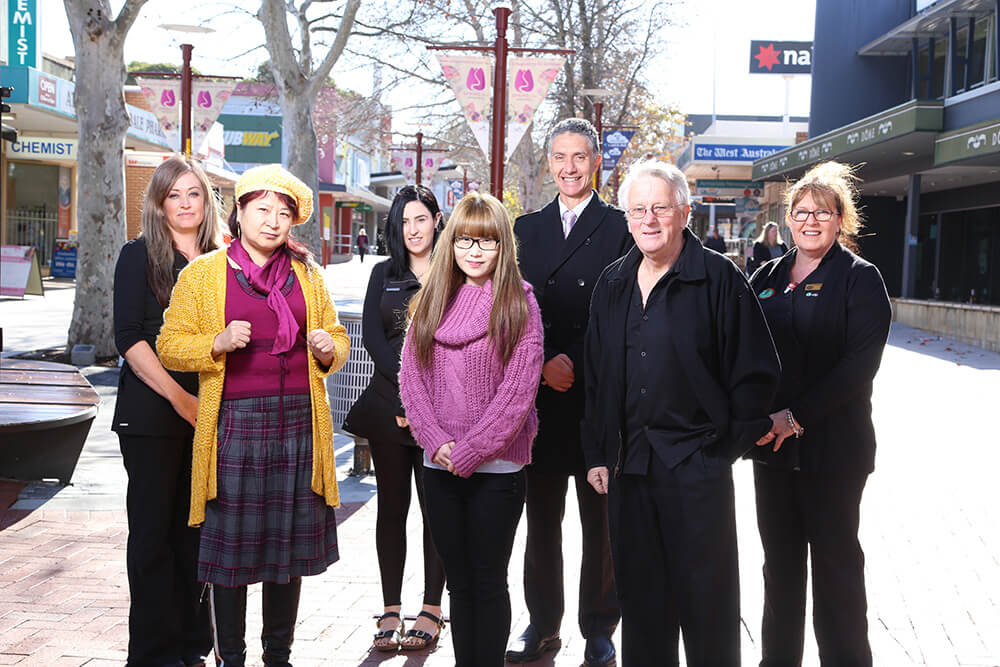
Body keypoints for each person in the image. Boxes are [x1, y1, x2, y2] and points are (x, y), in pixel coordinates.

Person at [582, 160, 780, 666]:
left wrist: (721, 450)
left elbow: (755, 374)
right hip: (630, 468)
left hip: (697, 470)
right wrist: (599, 451)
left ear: (684, 212)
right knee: (643, 609)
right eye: (638, 210)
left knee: (707, 609)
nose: (649, 220)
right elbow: (599, 377)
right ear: (627, 218)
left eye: (660, 208)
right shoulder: (613, 283)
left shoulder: (719, 279)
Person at [157, 164, 351, 667]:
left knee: (286, 553)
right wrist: (215, 343)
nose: (272, 221)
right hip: (233, 426)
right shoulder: (203, 274)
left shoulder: (308, 273)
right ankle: (233, 658)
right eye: (262, 209)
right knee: (231, 558)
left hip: (299, 425)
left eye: (283, 214)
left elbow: (335, 336)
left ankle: (278, 656)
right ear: (239, 212)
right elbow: (169, 344)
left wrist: (331, 348)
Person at [749, 161, 891, 667]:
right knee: (780, 569)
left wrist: (796, 416)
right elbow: (742, 353)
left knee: (835, 568)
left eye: (823, 213)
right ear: (787, 218)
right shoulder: (764, 275)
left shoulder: (860, 279)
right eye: (802, 212)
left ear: (839, 220)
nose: (811, 221)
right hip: (772, 451)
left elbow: (860, 367)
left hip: (834, 451)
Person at [398, 191, 544, 667]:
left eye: (486, 241)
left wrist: (469, 450)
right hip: (437, 464)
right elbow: (411, 381)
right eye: (464, 240)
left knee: (488, 580)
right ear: (450, 243)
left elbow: (518, 394)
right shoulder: (430, 302)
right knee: (458, 583)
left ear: (503, 246)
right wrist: (437, 442)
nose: (474, 251)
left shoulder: (519, 305)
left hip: (498, 468)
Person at [507, 117, 628, 667]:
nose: (569, 168)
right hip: (541, 397)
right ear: (549, 163)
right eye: (559, 157)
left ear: (596, 160)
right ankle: (542, 624)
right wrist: (541, 364)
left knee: (601, 523)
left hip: (600, 395)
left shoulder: (622, 226)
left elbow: (631, 313)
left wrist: (575, 362)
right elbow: (510, 311)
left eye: (579, 157)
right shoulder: (525, 231)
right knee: (541, 521)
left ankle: (600, 627)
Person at [112, 155, 221, 667]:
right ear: (158, 202)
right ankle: (153, 654)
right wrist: (182, 402)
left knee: (194, 535)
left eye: (193, 193)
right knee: (153, 537)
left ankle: (190, 646)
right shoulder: (138, 257)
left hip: (209, 418)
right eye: (173, 194)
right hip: (153, 418)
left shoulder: (223, 262)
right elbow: (129, 339)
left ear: (206, 201)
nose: (184, 203)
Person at [343, 185, 447, 652]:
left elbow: (457, 343)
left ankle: (431, 607)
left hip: (441, 410)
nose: (412, 230)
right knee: (392, 509)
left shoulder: (455, 273)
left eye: (420, 219)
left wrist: (422, 399)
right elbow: (372, 336)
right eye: (404, 222)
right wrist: (406, 391)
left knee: (436, 511)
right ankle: (389, 608)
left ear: (437, 219)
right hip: (389, 407)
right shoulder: (383, 272)